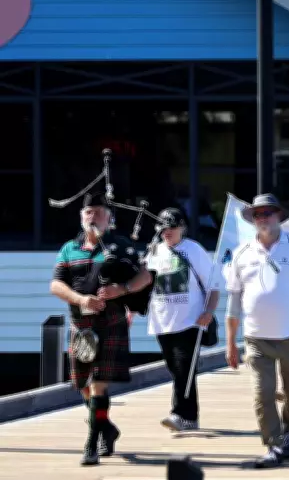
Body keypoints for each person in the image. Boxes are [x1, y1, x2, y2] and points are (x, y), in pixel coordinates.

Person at [49, 193, 154, 465]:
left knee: (97, 385)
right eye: (88, 213)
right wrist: (81, 299)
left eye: (98, 212)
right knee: (83, 386)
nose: (92, 217)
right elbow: (56, 285)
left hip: (110, 324)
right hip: (80, 325)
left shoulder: (120, 246)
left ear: (109, 218)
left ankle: (92, 444)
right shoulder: (69, 249)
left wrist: (123, 289)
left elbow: (145, 275)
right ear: (81, 217)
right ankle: (107, 428)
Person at [224, 193, 289, 469]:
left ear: (279, 216)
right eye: (258, 214)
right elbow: (233, 300)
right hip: (256, 337)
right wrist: (230, 341)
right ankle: (273, 443)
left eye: (268, 212)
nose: (263, 218)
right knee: (262, 393)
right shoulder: (242, 253)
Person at [145, 207, 219, 432]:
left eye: (172, 228)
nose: (167, 232)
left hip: (190, 321)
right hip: (162, 321)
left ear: (182, 229)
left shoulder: (194, 250)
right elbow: (146, 284)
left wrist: (209, 311)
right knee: (175, 368)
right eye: (163, 228)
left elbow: (213, 285)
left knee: (183, 368)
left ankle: (180, 414)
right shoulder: (154, 251)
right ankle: (191, 417)